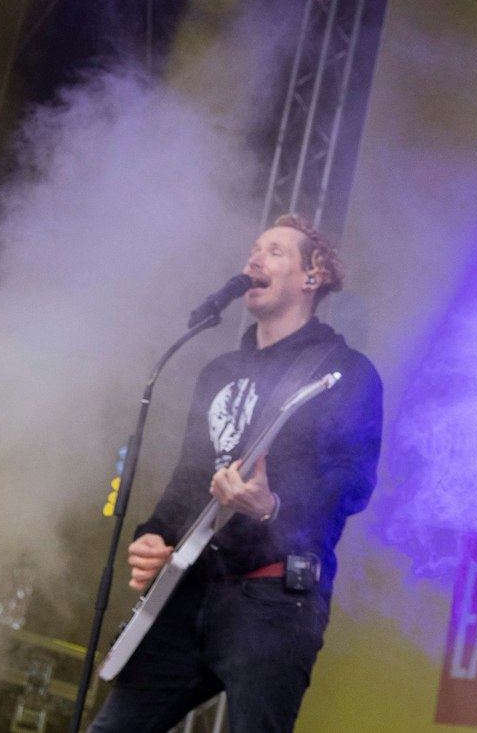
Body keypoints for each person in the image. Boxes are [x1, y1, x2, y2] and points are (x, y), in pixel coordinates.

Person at [90, 216, 382, 733]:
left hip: (274, 601)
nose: (254, 260)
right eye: (253, 249)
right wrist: (155, 536)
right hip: (193, 589)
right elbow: (190, 477)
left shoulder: (346, 371)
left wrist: (273, 504)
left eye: (274, 252)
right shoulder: (219, 372)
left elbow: (352, 481)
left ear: (310, 278)